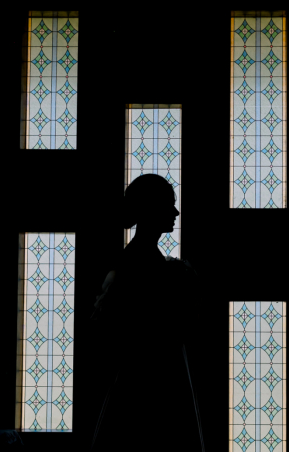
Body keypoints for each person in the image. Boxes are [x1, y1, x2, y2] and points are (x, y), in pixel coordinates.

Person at [91, 174, 204, 451]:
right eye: (169, 205)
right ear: (150, 209)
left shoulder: (146, 261)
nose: (176, 212)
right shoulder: (136, 265)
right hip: (147, 385)